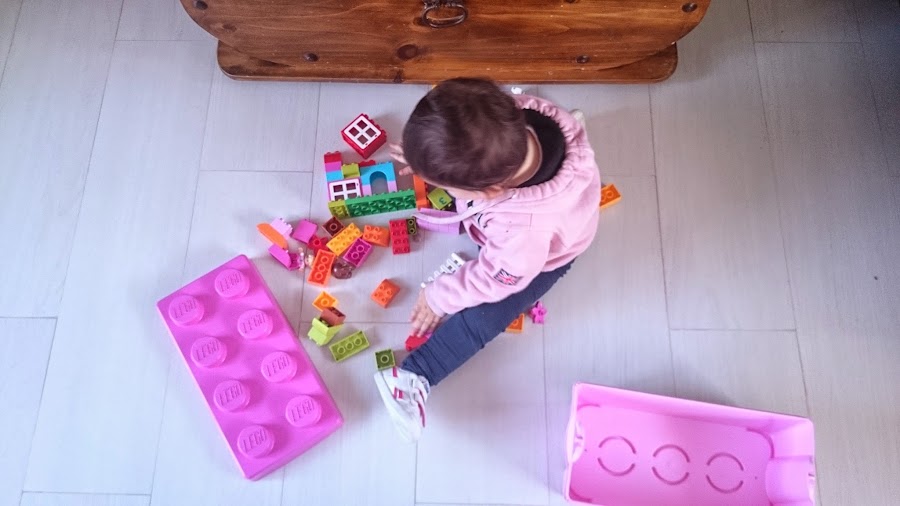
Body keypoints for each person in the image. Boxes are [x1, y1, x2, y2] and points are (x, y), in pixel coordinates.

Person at [375, 78, 601, 441]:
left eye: (446, 186)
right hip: (544, 209)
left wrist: (438, 296)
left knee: (489, 314)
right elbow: (467, 123)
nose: (435, 185)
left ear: (491, 191)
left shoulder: (520, 231)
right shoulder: (524, 113)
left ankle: (415, 375)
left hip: (545, 255)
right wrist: (429, 159)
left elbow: (494, 279)